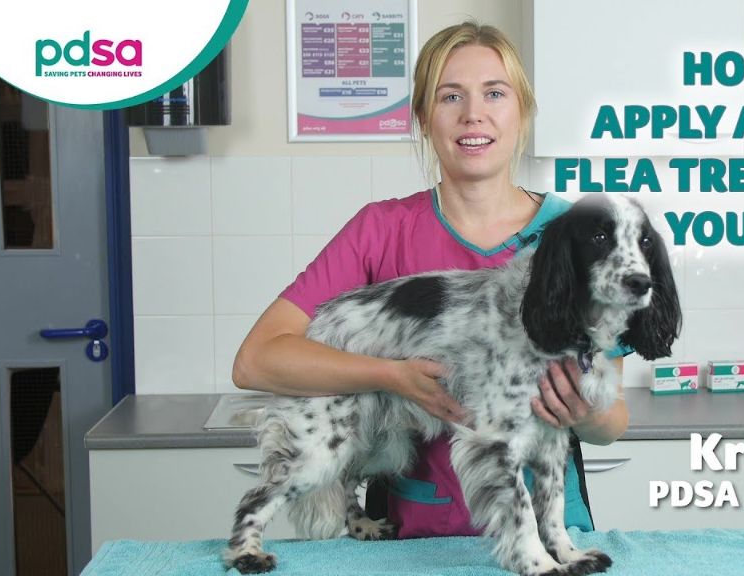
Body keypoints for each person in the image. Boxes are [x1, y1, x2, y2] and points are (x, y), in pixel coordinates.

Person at [232, 21, 630, 538]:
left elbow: (614, 421)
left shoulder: (577, 234)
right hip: (417, 534)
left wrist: (584, 412)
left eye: (494, 92)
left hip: (549, 534)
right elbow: (257, 360)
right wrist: (391, 375)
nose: (473, 114)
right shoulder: (379, 231)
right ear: (422, 116)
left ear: (522, 112)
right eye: (450, 96)